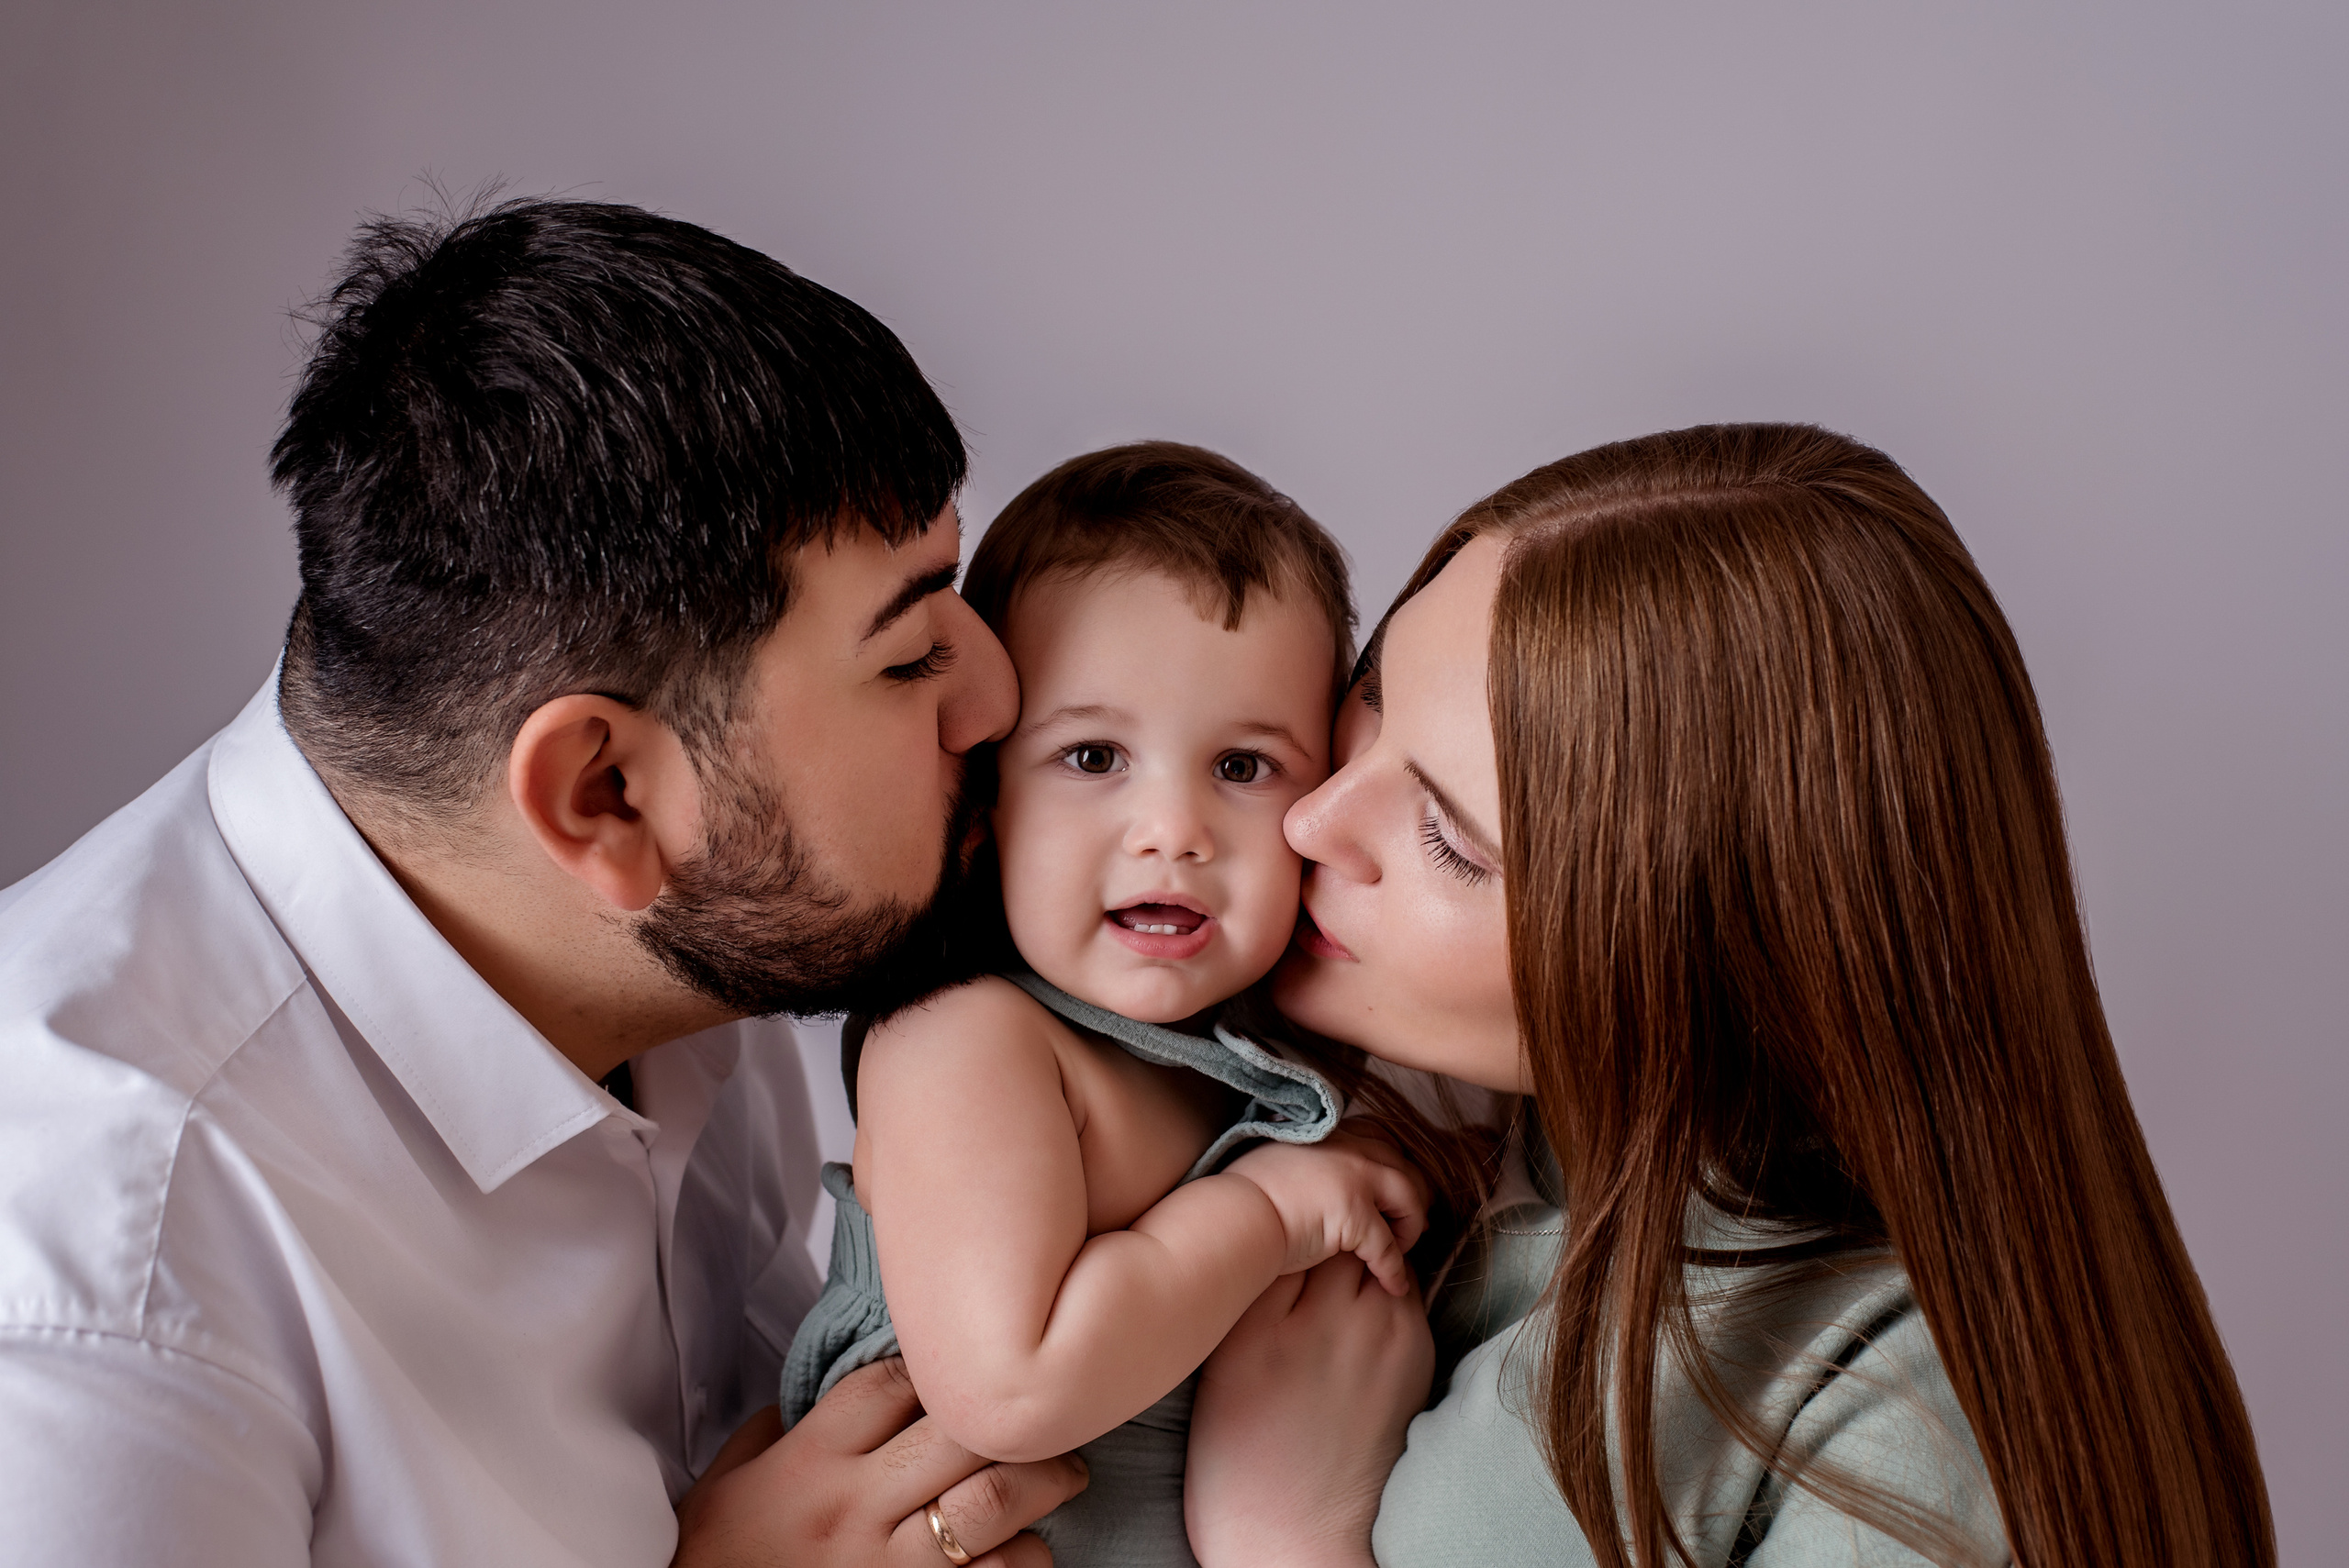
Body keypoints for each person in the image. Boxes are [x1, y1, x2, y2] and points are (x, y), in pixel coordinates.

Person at [0, 197, 1091, 1566]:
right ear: (605, 794)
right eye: (909, 653)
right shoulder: (98, 1284)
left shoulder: (684, 934)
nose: (997, 694)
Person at [1182, 424, 2277, 1567]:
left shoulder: (1906, 1418)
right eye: (1369, 699)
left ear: (1705, 942)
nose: (1310, 821)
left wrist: (1287, 1541)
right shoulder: (1360, 1102)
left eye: (1451, 841)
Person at [782, 443, 1429, 1568]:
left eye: (1241, 766)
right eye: (1093, 754)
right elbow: (1011, 1386)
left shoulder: (1262, 1052)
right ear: (983, 807)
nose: (1171, 828)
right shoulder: (967, 1042)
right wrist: (1269, 1218)